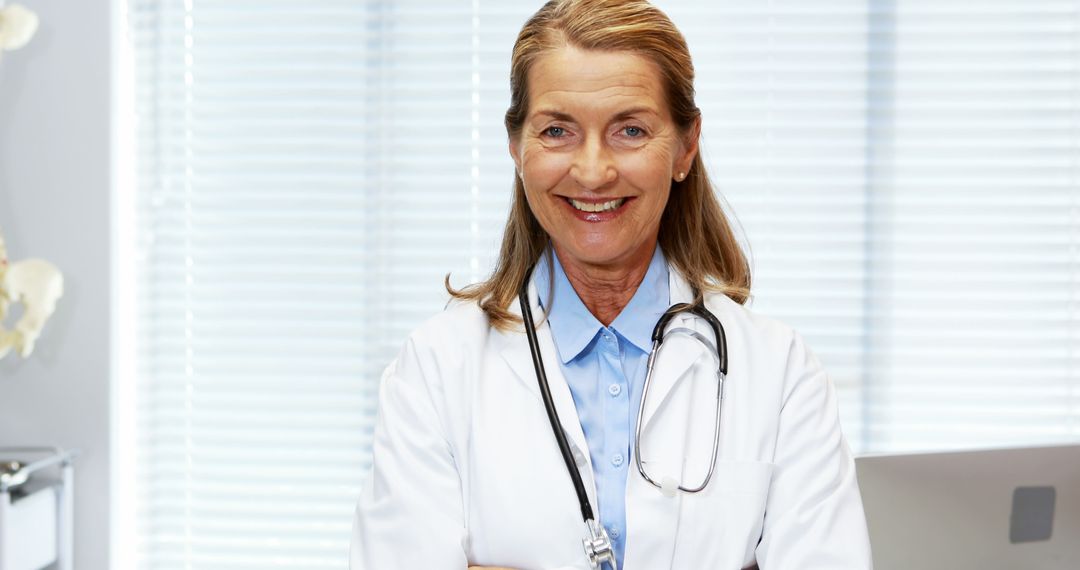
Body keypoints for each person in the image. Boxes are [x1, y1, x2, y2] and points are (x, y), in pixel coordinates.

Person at [350, 1, 873, 568]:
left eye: (630, 130)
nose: (594, 171)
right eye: (557, 131)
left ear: (685, 146)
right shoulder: (434, 372)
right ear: (515, 147)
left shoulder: (781, 376)